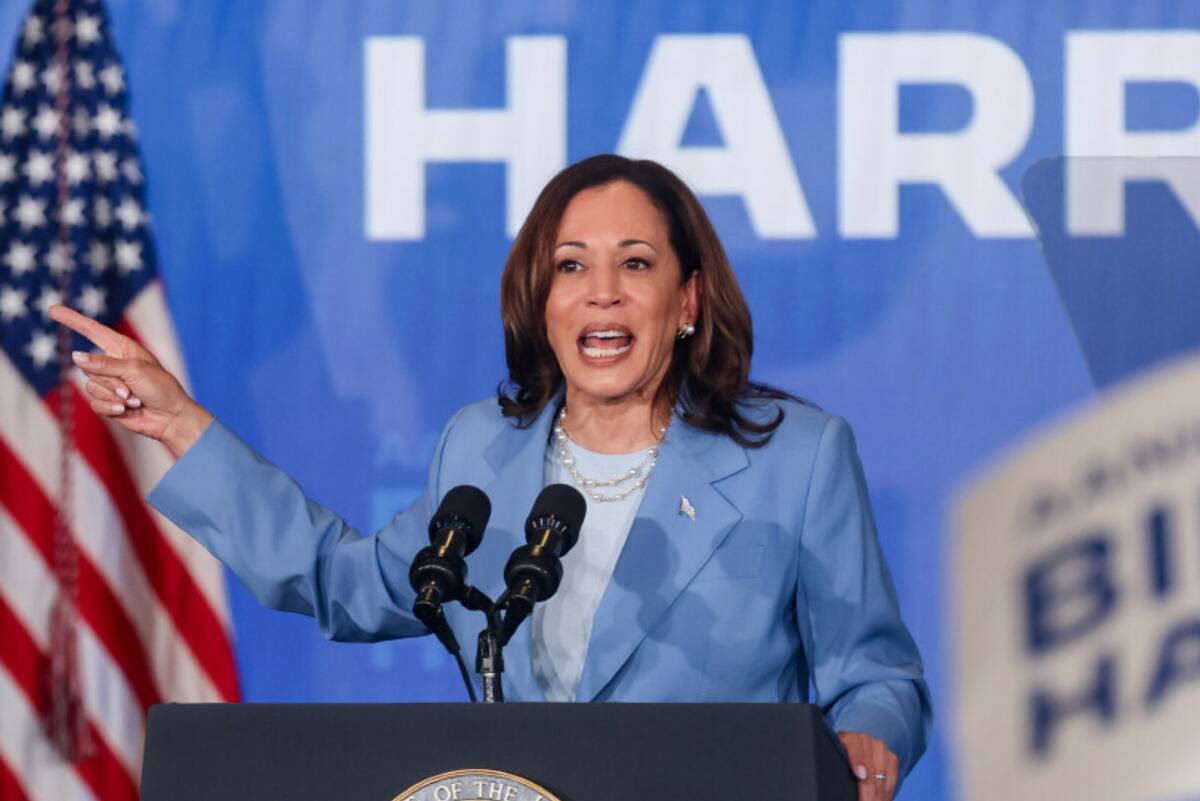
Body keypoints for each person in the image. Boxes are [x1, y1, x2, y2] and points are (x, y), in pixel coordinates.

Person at [51, 154, 931, 800]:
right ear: (541, 299)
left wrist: (867, 737)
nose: (602, 293)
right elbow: (345, 584)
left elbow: (879, 674)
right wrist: (180, 424)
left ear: (688, 300)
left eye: (636, 264)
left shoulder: (796, 458)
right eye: (572, 266)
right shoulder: (482, 451)